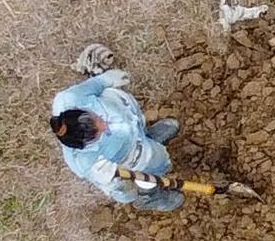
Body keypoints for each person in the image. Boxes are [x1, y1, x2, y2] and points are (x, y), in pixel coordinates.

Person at [49, 69, 184, 211]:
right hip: (133, 156)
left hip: (132, 124)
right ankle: (149, 197)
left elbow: (96, 84)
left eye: (96, 117)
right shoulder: (86, 162)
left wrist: (106, 79)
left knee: (141, 134)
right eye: (97, 133)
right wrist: (113, 183)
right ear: (84, 144)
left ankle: (147, 137)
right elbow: (119, 189)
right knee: (156, 164)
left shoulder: (70, 98)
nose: (105, 125)